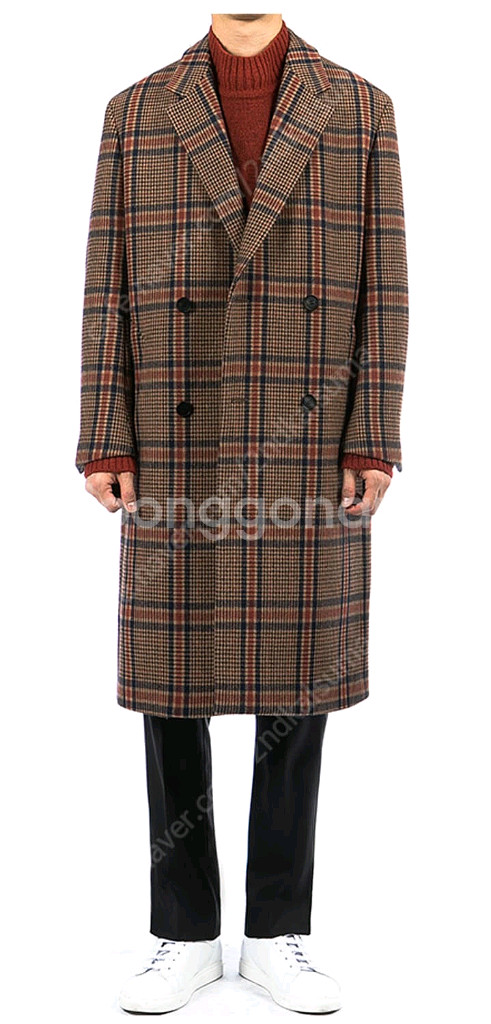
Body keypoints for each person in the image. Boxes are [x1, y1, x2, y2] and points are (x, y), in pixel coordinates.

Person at [75, 12, 409, 1015]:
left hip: (306, 429)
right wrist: (103, 433)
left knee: (295, 688)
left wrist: (371, 436)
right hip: (174, 427)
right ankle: (180, 933)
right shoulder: (135, 111)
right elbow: (105, 285)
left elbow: (384, 288)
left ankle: (274, 932)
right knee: (170, 687)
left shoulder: (359, 108)